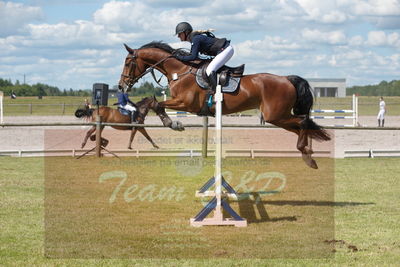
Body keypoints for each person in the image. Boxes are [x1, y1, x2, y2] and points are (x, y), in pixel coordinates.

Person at [174, 22, 234, 105]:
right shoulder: (194, 39)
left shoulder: (195, 39)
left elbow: (193, 57)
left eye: (179, 34)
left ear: (186, 32)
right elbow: (195, 56)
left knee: (209, 70)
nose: (178, 36)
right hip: (223, 50)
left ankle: (216, 94)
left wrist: (179, 57)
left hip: (225, 50)